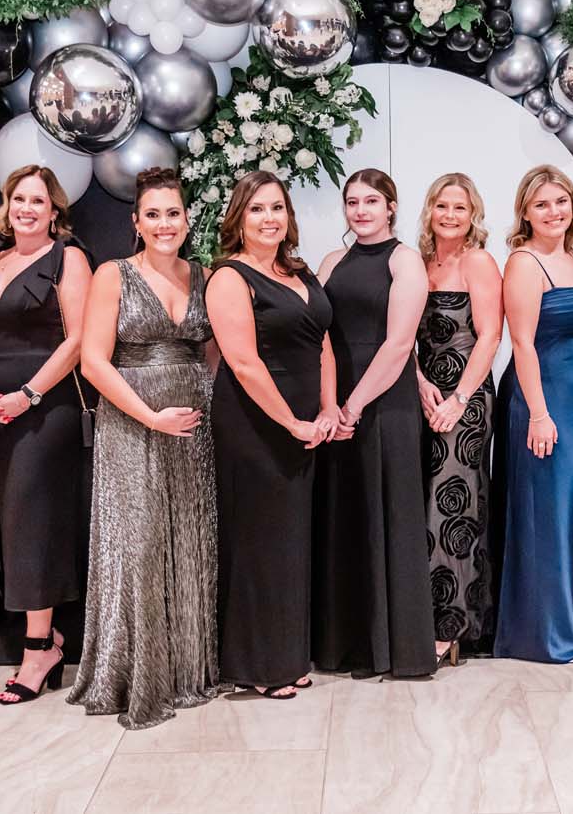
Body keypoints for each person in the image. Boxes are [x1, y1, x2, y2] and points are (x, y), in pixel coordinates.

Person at [67, 168, 220, 727]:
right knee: (140, 544)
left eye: (172, 213)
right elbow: (93, 362)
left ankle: (188, 671)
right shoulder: (114, 274)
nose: (164, 224)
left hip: (194, 427)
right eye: (152, 215)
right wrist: (152, 415)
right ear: (136, 222)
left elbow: (212, 349)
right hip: (133, 425)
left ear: (187, 219)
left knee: (191, 540)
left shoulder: (204, 276)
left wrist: (200, 393)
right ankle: (137, 674)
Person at [207, 171, 338, 700]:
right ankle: (258, 664)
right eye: (257, 209)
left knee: (292, 541)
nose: (269, 218)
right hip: (255, 422)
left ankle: (288, 655)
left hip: (308, 421)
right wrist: (291, 421)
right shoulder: (229, 277)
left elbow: (322, 342)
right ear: (239, 218)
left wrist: (329, 407)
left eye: (277, 208)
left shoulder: (300, 271)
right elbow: (242, 362)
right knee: (260, 541)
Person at [0, 165, 91, 705]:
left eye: (38, 201)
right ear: (7, 205)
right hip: (0, 411)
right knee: (19, 520)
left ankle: (38, 648)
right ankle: (48, 639)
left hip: (48, 407)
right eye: (19, 198)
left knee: (33, 522)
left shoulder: (69, 258)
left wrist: (27, 396)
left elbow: (79, 340)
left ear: (54, 211)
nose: (27, 208)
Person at [313, 169, 436, 678]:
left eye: (371, 201)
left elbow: (399, 344)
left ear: (391, 207)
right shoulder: (331, 261)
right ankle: (345, 646)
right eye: (352, 202)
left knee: (388, 516)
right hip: (336, 398)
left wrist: (355, 405)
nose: (360, 211)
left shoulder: (404, 259)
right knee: (345, 516)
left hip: (384, 402)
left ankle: (393, 648)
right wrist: (330, 404)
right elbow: (317, 332)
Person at [492, 165, 573, 663]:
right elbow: (522, 343)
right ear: (526, 212)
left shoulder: (572, 258)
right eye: (541, 204)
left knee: (569, 514)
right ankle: (543, 633)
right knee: (547, 514)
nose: (553, 211)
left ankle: (571, 622)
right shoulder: (524, 262)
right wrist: (539, 414)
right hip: (541, 402)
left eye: (560, 201)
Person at [415, 173, 503, 660]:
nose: (449, 215)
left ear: (473, 216)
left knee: (452, 506)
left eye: (460, 208)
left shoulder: (479, 262)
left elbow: (490, 336)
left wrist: (459, 399)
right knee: (424, 502)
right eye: (442, 206)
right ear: (430, 210)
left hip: (466, 401)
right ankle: (422, 615)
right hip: (423, 397)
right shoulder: (419, 262)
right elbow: (402, 337)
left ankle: (452, 625)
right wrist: (420, 384)